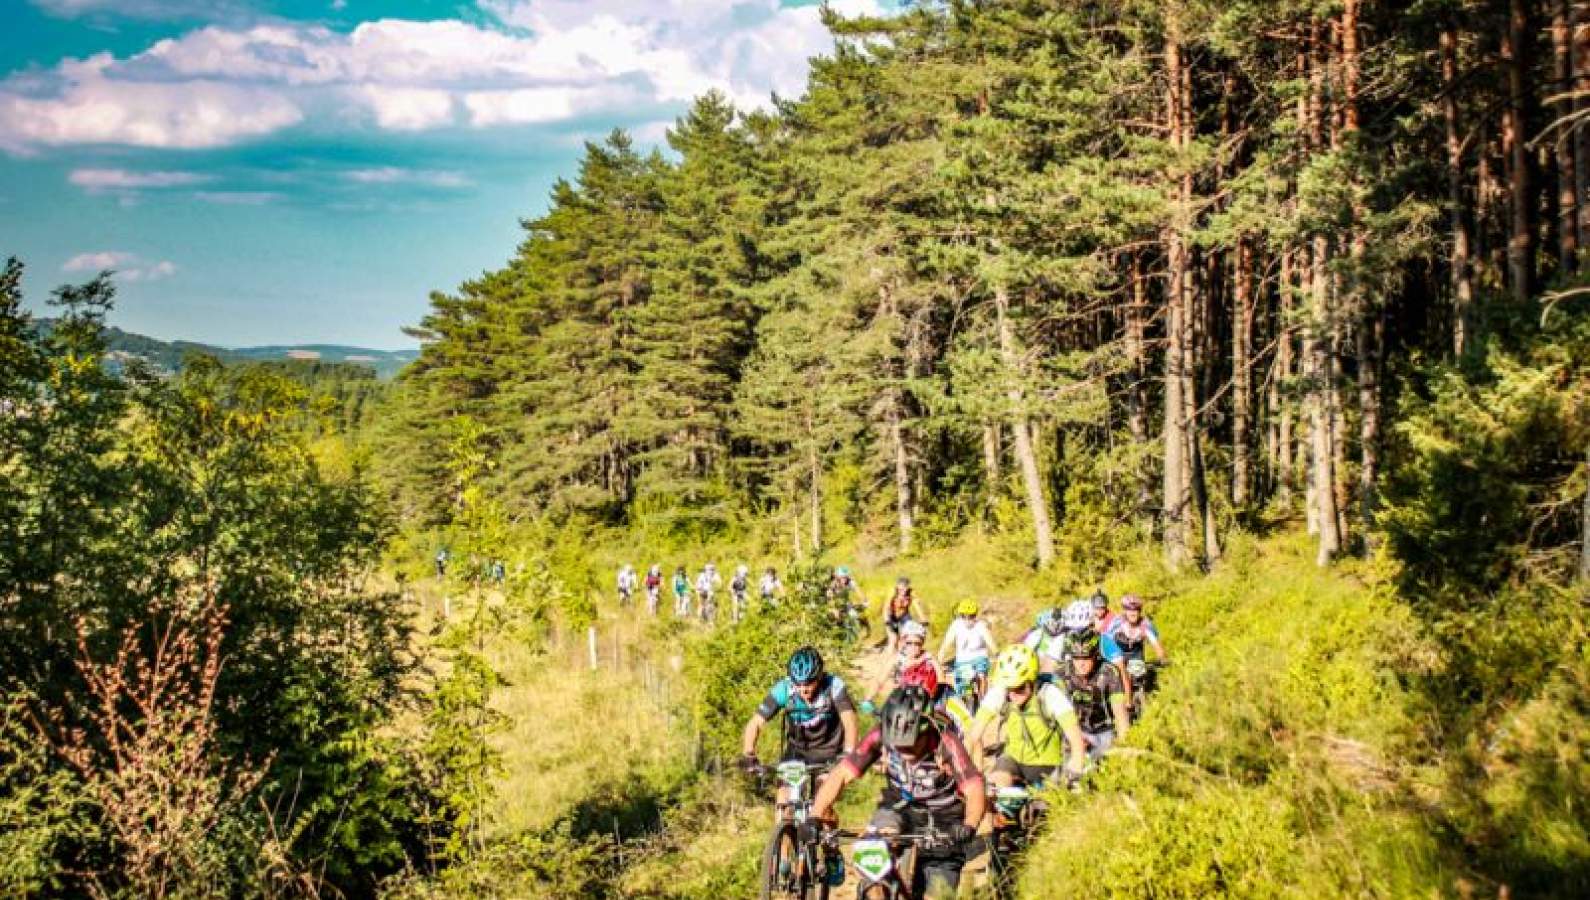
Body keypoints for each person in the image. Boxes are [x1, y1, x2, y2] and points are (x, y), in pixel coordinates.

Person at [808, 687, 986, 897]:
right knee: (871, 859)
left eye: (910, 745)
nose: (903, 751)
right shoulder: (880, 734)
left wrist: (969, 825)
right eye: (898, 746)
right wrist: (814, 816)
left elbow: (974, 787)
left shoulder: (945, 741)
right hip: (899, 805)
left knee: (939, 893)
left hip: (944, 816)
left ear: (925, 729)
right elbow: (841, 774)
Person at [970, 645, 1088, 790]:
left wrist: (1076, 771)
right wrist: (977, 773)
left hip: (1048, 765)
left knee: (1042, 807)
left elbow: (1076, 738)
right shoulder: (1000, 692)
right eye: (1009, 688)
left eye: (1019, 687)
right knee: (994, 793)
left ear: (1031, 681)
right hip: (1012, 760)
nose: (1013, 694)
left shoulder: (1049, 694)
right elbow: (974, 735)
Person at [1059, 626, 1131, 760]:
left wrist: (1124, 745)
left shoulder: (1109, 672)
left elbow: (1120, 714)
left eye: (1086, 658)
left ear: (1095, 655)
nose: (1081, 663)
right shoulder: (1063, 672)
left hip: (1104, 731)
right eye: (1076, 658)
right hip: (1075, 730)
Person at [861, 621, 943, 715]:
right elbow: (880, 679)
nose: (913, 646)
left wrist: (936, 702)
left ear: (922, 643)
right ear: (903, 642)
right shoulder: (897, 659)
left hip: (923, 704)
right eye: (909, 643)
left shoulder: (930, 658)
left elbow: (942, 681)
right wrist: (868, 699)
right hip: (898, 701)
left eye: (917, 643)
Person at [937, 599, 997, 708]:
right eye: (964, 616)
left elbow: (990, 642)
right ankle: (966, 704)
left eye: (971, 616)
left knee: (981, 675)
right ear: (960, 616)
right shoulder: (956, 625)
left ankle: (983, 701)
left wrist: (997, 654)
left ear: (975, 616)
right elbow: (947, 642)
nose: (968, 620)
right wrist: (941, 655)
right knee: (964, 688)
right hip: (963, 660)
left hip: (979, 657)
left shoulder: (981, 626)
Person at [1106, 594, 1168, 664]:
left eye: (1136, 610)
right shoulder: (1117, 622)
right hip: (1117, 657)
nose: (1133, 613)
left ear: (1140, 612)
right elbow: (1107, 640)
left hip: (1136, 660)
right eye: (1129, 610)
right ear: (1125, 611)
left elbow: (1156, 644)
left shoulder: (1145, 625)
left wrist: (1162, 658)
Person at [882, 577, 927, 653]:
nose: (903, 590)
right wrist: (887, 620)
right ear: (898, 587)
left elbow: (916, 606)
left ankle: (904, 657)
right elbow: (886, 607)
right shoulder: (893, 592)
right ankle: (888, 659)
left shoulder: (911, 592)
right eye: (901, 588)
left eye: (905, 588)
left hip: (904, 615)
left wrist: (923, 618)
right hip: (891, 615)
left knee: (908, 635)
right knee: (893, 638)